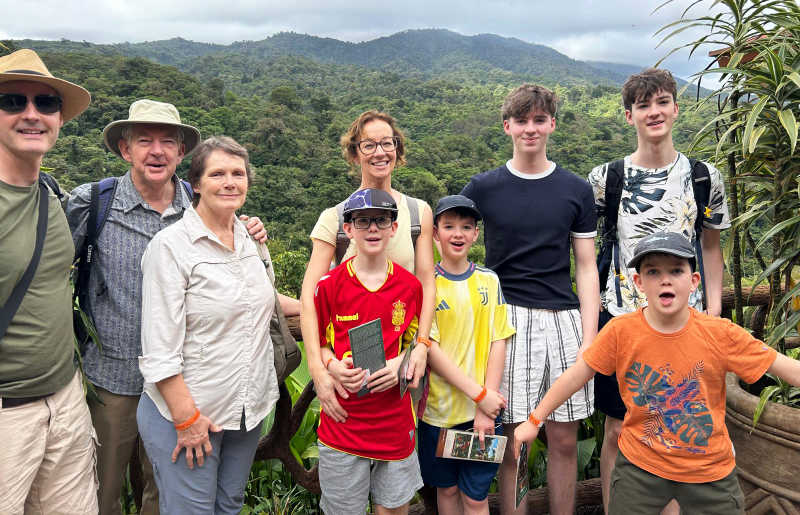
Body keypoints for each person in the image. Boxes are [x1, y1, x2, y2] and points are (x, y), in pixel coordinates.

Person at [65, 100, 279, 515]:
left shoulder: (207, 209)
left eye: (168, 142)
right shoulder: (93, 204)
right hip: (114, 379)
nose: (157, 151)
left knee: (163, 497)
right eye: (144, 141)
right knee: (99, 493)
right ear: (125, 150)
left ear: (183, 156)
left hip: (189, 386)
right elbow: (54, 275)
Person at [514, 231, 800, 514]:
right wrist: (534, 420)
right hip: (640, 468)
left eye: (676, 270)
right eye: (653, 272)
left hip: (709, 470)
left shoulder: (719, 333)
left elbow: (782, 365)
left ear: (693, 281)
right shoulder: (621, 331)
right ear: (638, 282)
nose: (665, 279)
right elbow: (578, 374)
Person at [586, 68, 730, 514]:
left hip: (688, 323)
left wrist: (715, 315)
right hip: (624, 320)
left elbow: (711, 249)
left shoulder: (704, 177)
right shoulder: (605, 179)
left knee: (681, 427)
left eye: (662, 102)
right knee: (618, 429)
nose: (654, 112)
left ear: (676, 108)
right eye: (644, 105)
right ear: (629, 115)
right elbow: (589, 254)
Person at [461, 83, 599, 515]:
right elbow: (449, 241)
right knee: (514, 443)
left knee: (562, 438)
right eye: (522, 120)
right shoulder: (483, 188)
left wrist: (590, 337)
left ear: (552, 124)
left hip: (563, 319)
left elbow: (586, 265)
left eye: (539, 120)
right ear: (507, 126)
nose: (530, 129)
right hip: (505, 322)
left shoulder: (575, 189)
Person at [137, 136, 287, 514]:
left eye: (238, 173)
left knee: (229, 505)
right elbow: (159, 349)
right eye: (217, 173)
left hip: (246, 409)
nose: (230, 182)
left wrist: (334, 305)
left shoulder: (250, 239)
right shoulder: (171, 247)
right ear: (197, 184)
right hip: (189, 413)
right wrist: (186, 419)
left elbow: (266, 301)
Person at [0, 48, 98, 514]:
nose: (32, 114)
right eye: (12, 102)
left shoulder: (52, 194)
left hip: (65, 400)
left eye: (46, 103)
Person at [301, 110, 433, 425]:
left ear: (397, 149)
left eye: (387, 143)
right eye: (368, 145)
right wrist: (320, 368)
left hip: (401, 361)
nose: (379, 152)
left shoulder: (417, 213)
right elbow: (310, 296)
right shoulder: (335, 218)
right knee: (347, 447)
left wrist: (421, 349)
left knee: (399, 450)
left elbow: (427, 282)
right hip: (348, 369)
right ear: (355, 152)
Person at [313, 188, 424, 514]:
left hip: (393, 422)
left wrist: (398, 364)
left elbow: (415, 344)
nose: (372, 229)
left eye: (380, 221)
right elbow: (319, 343)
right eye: (362, 222)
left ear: (394, 228)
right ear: (348, 230)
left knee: (393, 509)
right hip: (342, 422)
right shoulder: (329, 285)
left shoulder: (409, 286)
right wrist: (332, 365)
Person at [417, 195, 515, 515]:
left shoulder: (489, 280)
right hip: (438, 414)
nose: (457, 234)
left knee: (475, 497)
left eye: (466, 227)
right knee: (446, 491)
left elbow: (499, 339)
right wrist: (481, 395)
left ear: (475, 234)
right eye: (448, 226)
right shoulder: (426, 284)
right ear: (435, 233)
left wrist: (486, 405)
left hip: (481, 418)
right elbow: (430, 349)